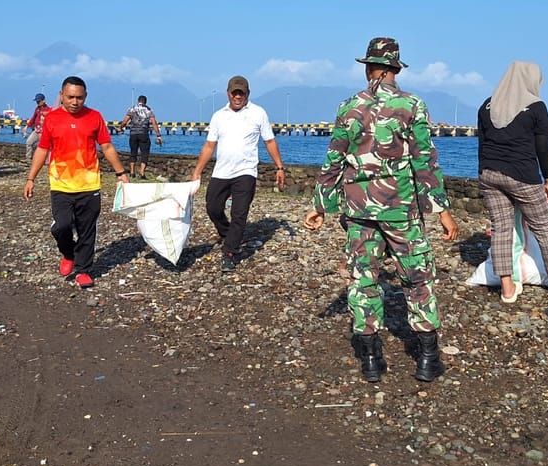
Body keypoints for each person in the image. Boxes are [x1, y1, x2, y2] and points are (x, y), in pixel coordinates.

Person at [303, 37, 459, 383]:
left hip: (358, 209)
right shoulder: (411, 105)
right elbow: (424, 161)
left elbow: (335, 158)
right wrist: (442, 210)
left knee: (363, 280)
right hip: (400, 209)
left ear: (368, 67)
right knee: (418, 278)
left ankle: (372, 360)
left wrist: (320, 205)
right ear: (395, 68)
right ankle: (427, 358)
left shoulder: (349, 107)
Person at [477, 61, 548, 303]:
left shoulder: (487, 105)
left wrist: (483, 172)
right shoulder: (536, 107)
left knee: (501, 230)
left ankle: (507, 288)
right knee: (545, 230)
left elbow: (482, 144)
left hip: (489, 173)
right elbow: (543, 150)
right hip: (522, 176)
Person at [22, 76, 130, 288]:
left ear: (85, 97)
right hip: (61, 184)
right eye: (70, 97)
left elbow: (106, 147)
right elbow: (42, 149)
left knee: (87, 229)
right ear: (61, 95)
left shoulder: (94, 117)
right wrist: (30, 178)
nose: (74, 102)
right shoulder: (52, 118)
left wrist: (121, 173)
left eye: (79, 98)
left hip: (89, 185)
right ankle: (68, 253)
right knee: (61, 227)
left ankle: (83, 270)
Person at [190, 75, 287, 272]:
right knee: (213, 208)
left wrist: (279, 167)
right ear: (228, 93)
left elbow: (269, 141)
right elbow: (209, 146)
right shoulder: (219, 116)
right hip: (221, 172)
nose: (237, 96)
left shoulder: (258, 113)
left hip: (246, 171)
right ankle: (227, 233)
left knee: (239, 214)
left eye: (241, 93)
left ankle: (230, 252)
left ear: (247, 94)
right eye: (234, 93)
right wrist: (197, 172)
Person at [119, 94, 162, 179]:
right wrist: (158, 135)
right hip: (143, 134)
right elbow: (154, 123)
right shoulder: (149, 110)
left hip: (133, 134)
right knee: (144, 153)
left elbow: (125, 121)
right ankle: (142, 172)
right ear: (145, 102)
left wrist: (121, 127)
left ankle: (132, 172)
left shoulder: (132, 109)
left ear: (138, 101)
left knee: (133, 153)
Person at [22, 93, 52, 161]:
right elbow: (33, 118)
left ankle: (46, 161)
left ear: (43, 100)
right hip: (36, 130)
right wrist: (27, 126)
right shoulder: (37, 109)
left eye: (39, 101)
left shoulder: (49, 110)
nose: (37, 103)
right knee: (29, 142)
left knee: (45, 147)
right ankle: (28, 158)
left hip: (44, 132)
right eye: (37, 101)